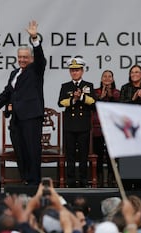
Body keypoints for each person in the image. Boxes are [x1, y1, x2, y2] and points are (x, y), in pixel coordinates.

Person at [0, 20, 46, 185]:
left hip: (32, 116)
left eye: (25, 57)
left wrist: (34, 39)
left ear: (31, 58)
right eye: (20, 57)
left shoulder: (36, 70)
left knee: (32, 150)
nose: (22, 60)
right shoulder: (14, 73)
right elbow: (6, 94)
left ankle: (34, 182)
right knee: (21, 151)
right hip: (17, 119)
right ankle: (26, 179)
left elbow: (40, 58)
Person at [58, 57, 96, 188]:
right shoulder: (65, 86)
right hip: (70, 125)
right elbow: (61, 102)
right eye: (72, 70)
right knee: (70, 155)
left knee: (83, 155)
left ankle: (84, 180)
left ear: (82, 71)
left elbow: (94, 103)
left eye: (77, 70)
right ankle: (70, 180)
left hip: (83, 125)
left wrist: (81, 97)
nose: (74, 73)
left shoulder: (88, 85)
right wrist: (73, 100)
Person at [92, 70, 120, 187]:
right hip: (98, 128)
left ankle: (111, 179)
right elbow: (92, 106)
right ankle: (99, 179)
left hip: (112, 129)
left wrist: (110, 96)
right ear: (101, 79)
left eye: (109, 76)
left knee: (111, 155)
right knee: (97, 154)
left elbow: (118, 107)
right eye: (105, 76)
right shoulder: (95, 92)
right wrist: (101, 97)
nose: (107, 78)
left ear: (113, 79)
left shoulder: (117, 93)